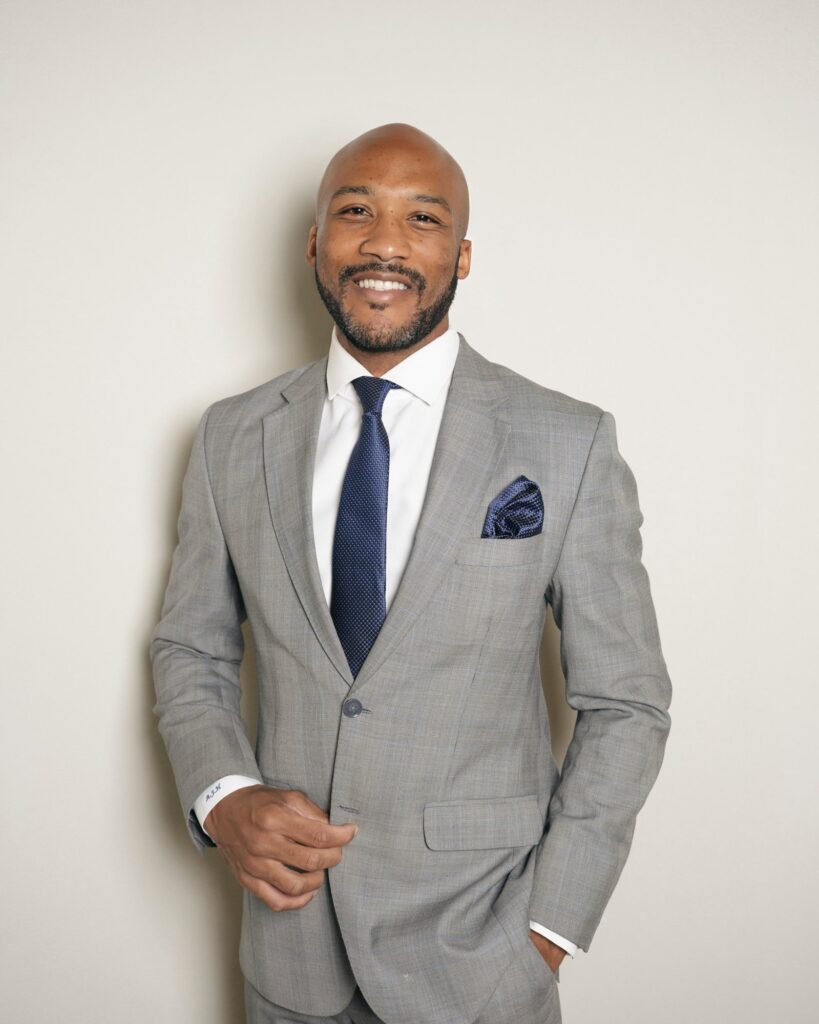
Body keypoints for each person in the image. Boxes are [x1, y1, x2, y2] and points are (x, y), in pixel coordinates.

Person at [150, 122, 672, 1024]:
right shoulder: (233, 435)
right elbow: (189, 649)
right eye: (355, 212)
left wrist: (548, 928)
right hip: (289, 954)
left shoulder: (566, 440)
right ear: (315, 242)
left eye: (422, 219)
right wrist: (224, 797)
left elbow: (626, 702)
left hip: (483, 963)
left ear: (462, 255)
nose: (384, 243)